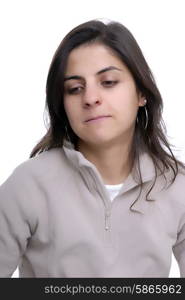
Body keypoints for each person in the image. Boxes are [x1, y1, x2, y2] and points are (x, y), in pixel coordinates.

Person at [0, 19, 185, 278]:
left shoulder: (177, 185)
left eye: (108, 82)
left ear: (141, 93)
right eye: (75, 89)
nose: (90, 98)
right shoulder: (27, 186)